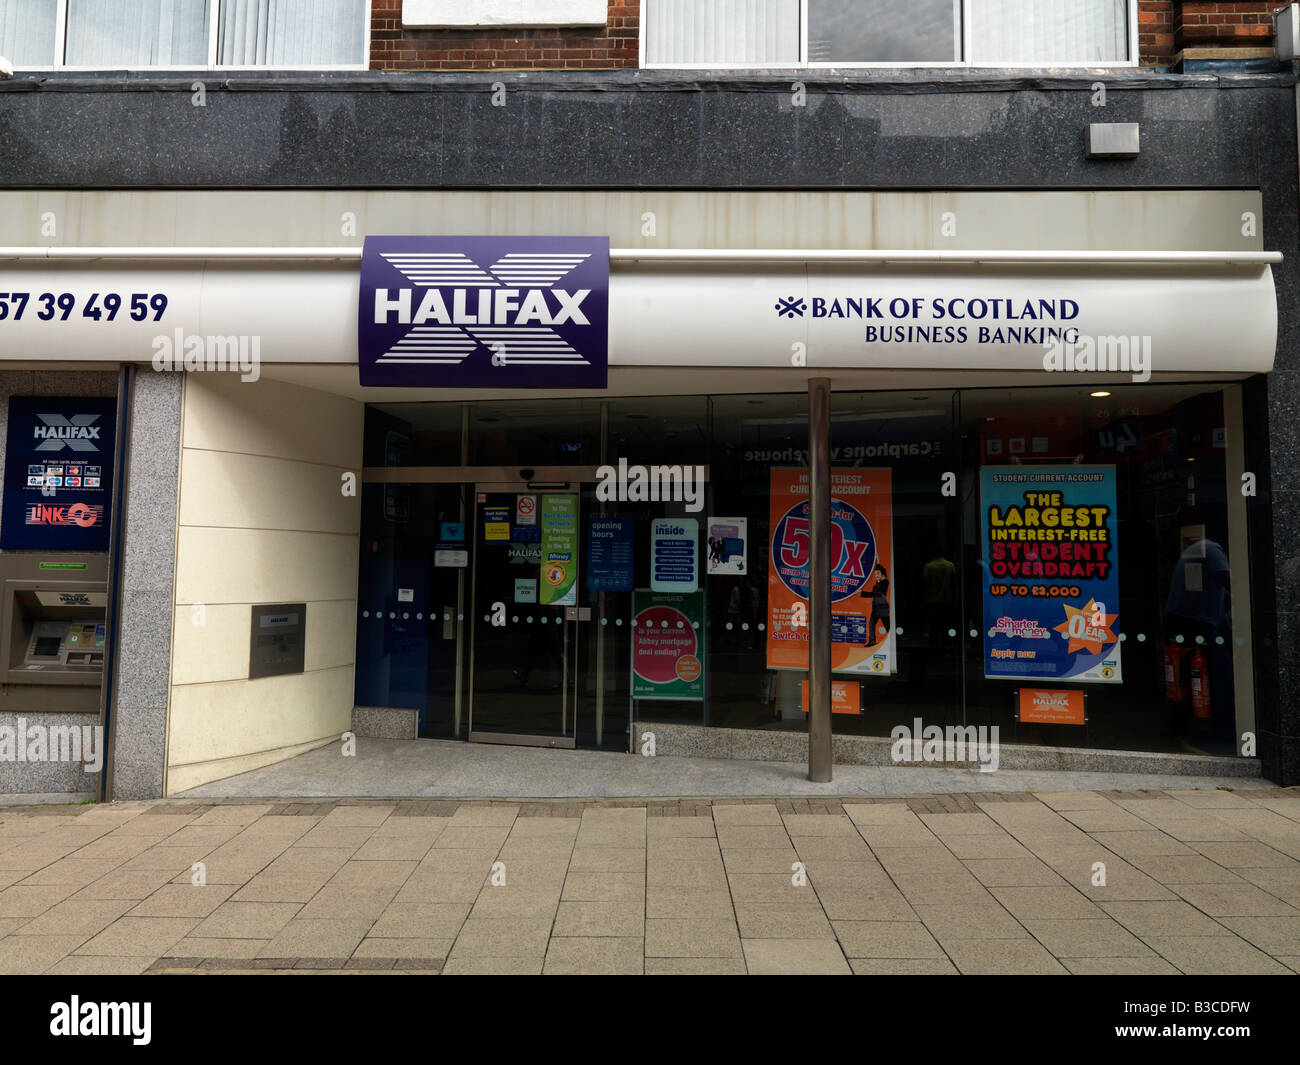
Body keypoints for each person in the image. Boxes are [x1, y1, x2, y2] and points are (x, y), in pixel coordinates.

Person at [860, 562, 890, 647]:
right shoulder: (879, 582)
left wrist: (863, 593)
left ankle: (892, 639)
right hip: (877, 607)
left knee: (887, 625)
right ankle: (872, 641)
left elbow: (876, 593)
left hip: (882, 607)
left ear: (883, 574)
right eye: (875, 574)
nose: (876, 575)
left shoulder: (885, 582)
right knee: (872, 623)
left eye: (878, 573)